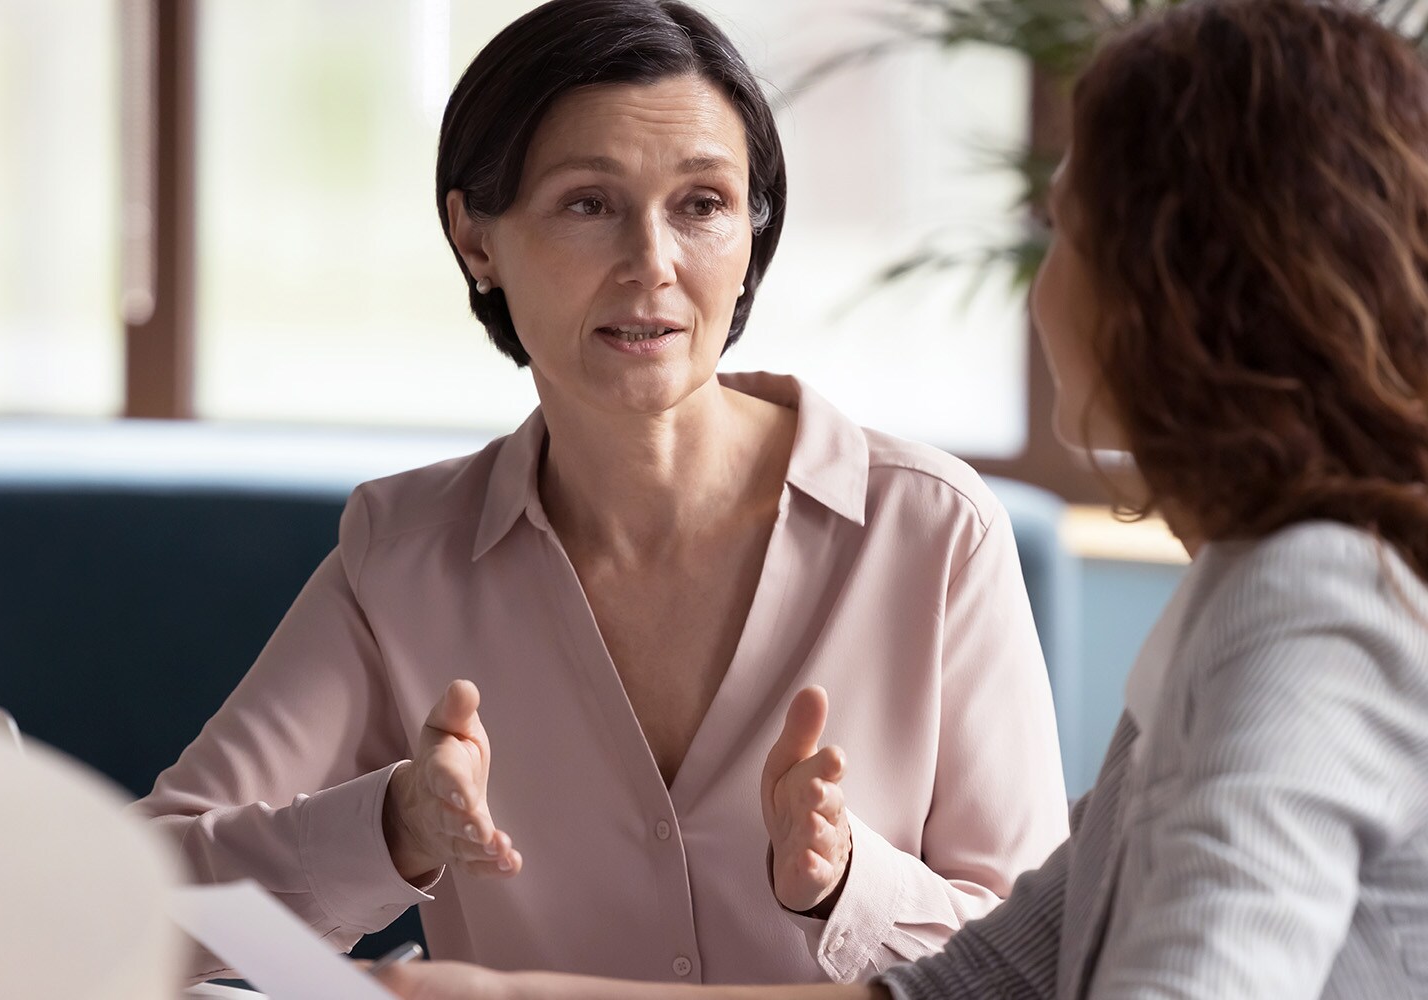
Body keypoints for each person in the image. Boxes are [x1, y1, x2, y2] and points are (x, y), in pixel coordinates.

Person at [374, 1, 1428, 997]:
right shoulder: (1254, 588)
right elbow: (977, 983)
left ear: (1174, 292)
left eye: (1064, 232)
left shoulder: (1307, 605)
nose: (1040, 283)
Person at [134, 0, 1068, 985]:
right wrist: (394, 827)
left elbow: (1047, 964)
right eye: (590, 203)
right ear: (476, 238)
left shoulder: (933, 533)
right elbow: (149, 901)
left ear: (752, 233)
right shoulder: (402, 556)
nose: (653, 264)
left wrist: (849, 884)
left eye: (701, 204)